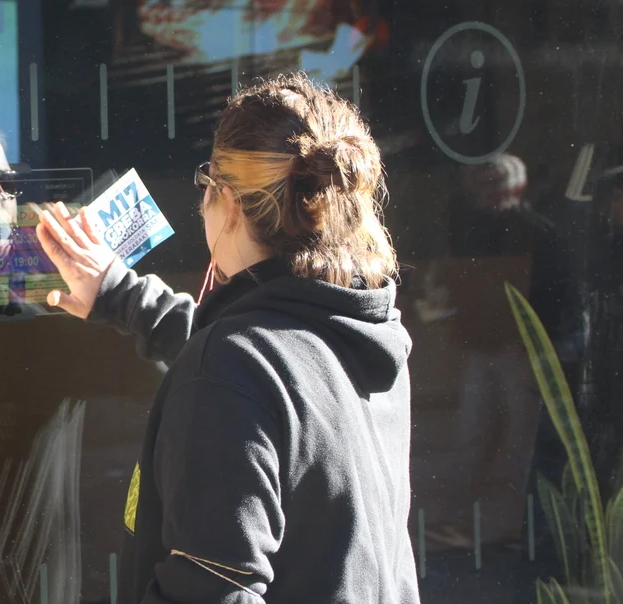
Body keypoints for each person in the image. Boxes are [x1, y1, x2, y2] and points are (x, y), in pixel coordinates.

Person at [34, 72, 420, 603]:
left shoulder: (232, 369)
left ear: (230, 203)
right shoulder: (361, 333)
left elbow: (214, 591)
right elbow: (275, 378)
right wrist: (119, 293)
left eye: (205, 184)